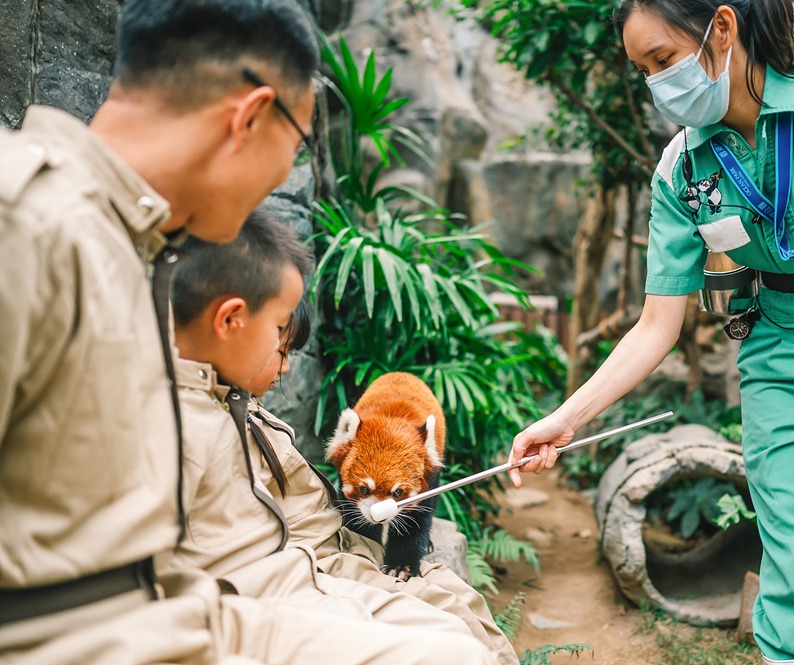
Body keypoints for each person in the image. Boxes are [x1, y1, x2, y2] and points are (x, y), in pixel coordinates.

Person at [507, 2, 794, 665]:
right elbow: (656, 323)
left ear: (721, 28)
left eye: (663, 61)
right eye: (642, 71)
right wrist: (566, 418)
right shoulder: (680, 173)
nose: (657, 84)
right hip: (780, 357)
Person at [0, 0, 318, 662]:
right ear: (253, 115)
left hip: (170, 607)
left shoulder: (134, 244)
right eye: (300, 143)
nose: (288, 175)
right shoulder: (24, 221)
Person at [165, 210, 499, 665]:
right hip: (299, 577)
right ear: (231, 321)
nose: (286, 365)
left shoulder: (237, 400)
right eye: (281, 340)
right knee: (457, 646)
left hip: (330, 554)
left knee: (466, 613)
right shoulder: (183, 421)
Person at [241, 304, 519, 665]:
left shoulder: (424, 451)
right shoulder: (348, 439)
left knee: (412, 534)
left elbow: (416, 511)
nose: (376, 505)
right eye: (366, 491)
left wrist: (405, 557)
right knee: (362, 521)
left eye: (398, 494)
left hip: (415, 424)